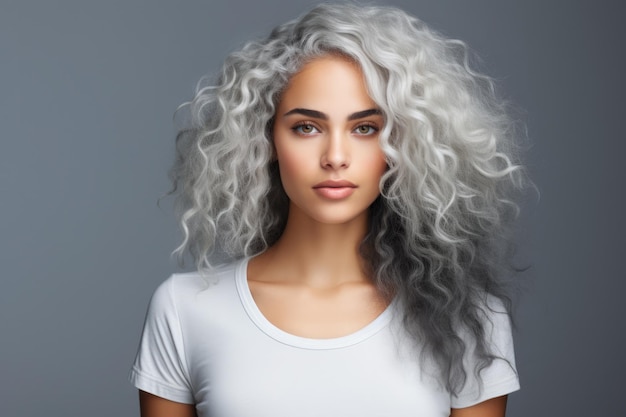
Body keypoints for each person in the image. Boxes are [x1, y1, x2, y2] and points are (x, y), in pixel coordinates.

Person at [130, 3, 526, 416]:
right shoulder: (185, 308)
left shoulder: (469, 320)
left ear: (402, 147)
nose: (336, 156)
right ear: (265, 140)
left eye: (365, 128)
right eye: (307, 127)